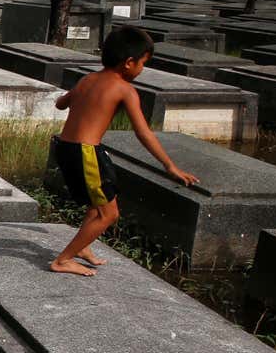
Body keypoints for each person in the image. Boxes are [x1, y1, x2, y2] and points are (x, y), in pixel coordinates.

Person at [48, 25, 198, 277]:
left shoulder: (87, 79)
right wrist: (170, 166)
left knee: (97, 205)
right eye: (143, 63)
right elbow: (143, 133)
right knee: (109, 214)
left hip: (66, 147)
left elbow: (61, 103)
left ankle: (83, 248)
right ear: (129, 62)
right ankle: (63, 260)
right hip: (86, 152)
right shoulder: (124, 89)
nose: (142, 70)